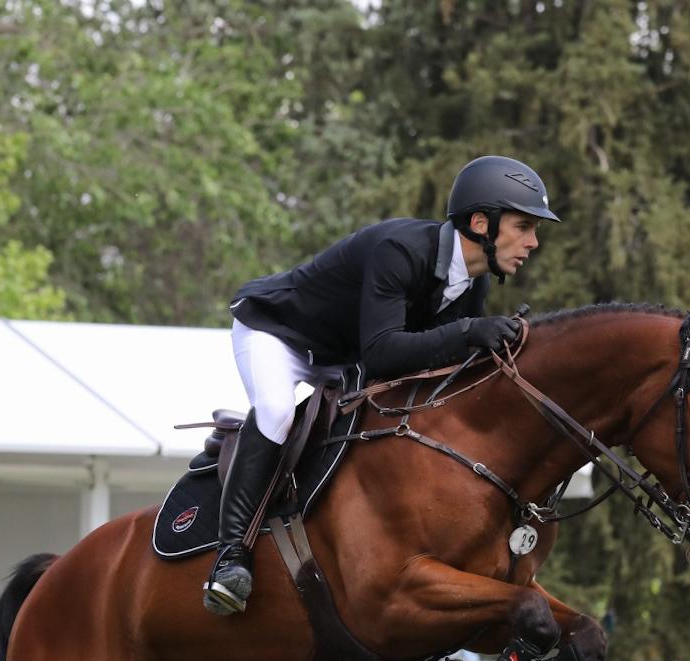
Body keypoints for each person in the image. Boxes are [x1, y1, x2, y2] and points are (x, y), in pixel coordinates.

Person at [204, 154, 560, 616]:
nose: (533, 242)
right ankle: (231, 558)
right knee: (276, 412)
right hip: (280, 335)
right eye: (523, 227)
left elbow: (424, 370)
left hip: (343, 360)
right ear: (480, 223)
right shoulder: (400, 250)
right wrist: (469, 333)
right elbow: (383, 352)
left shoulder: (470, 284)